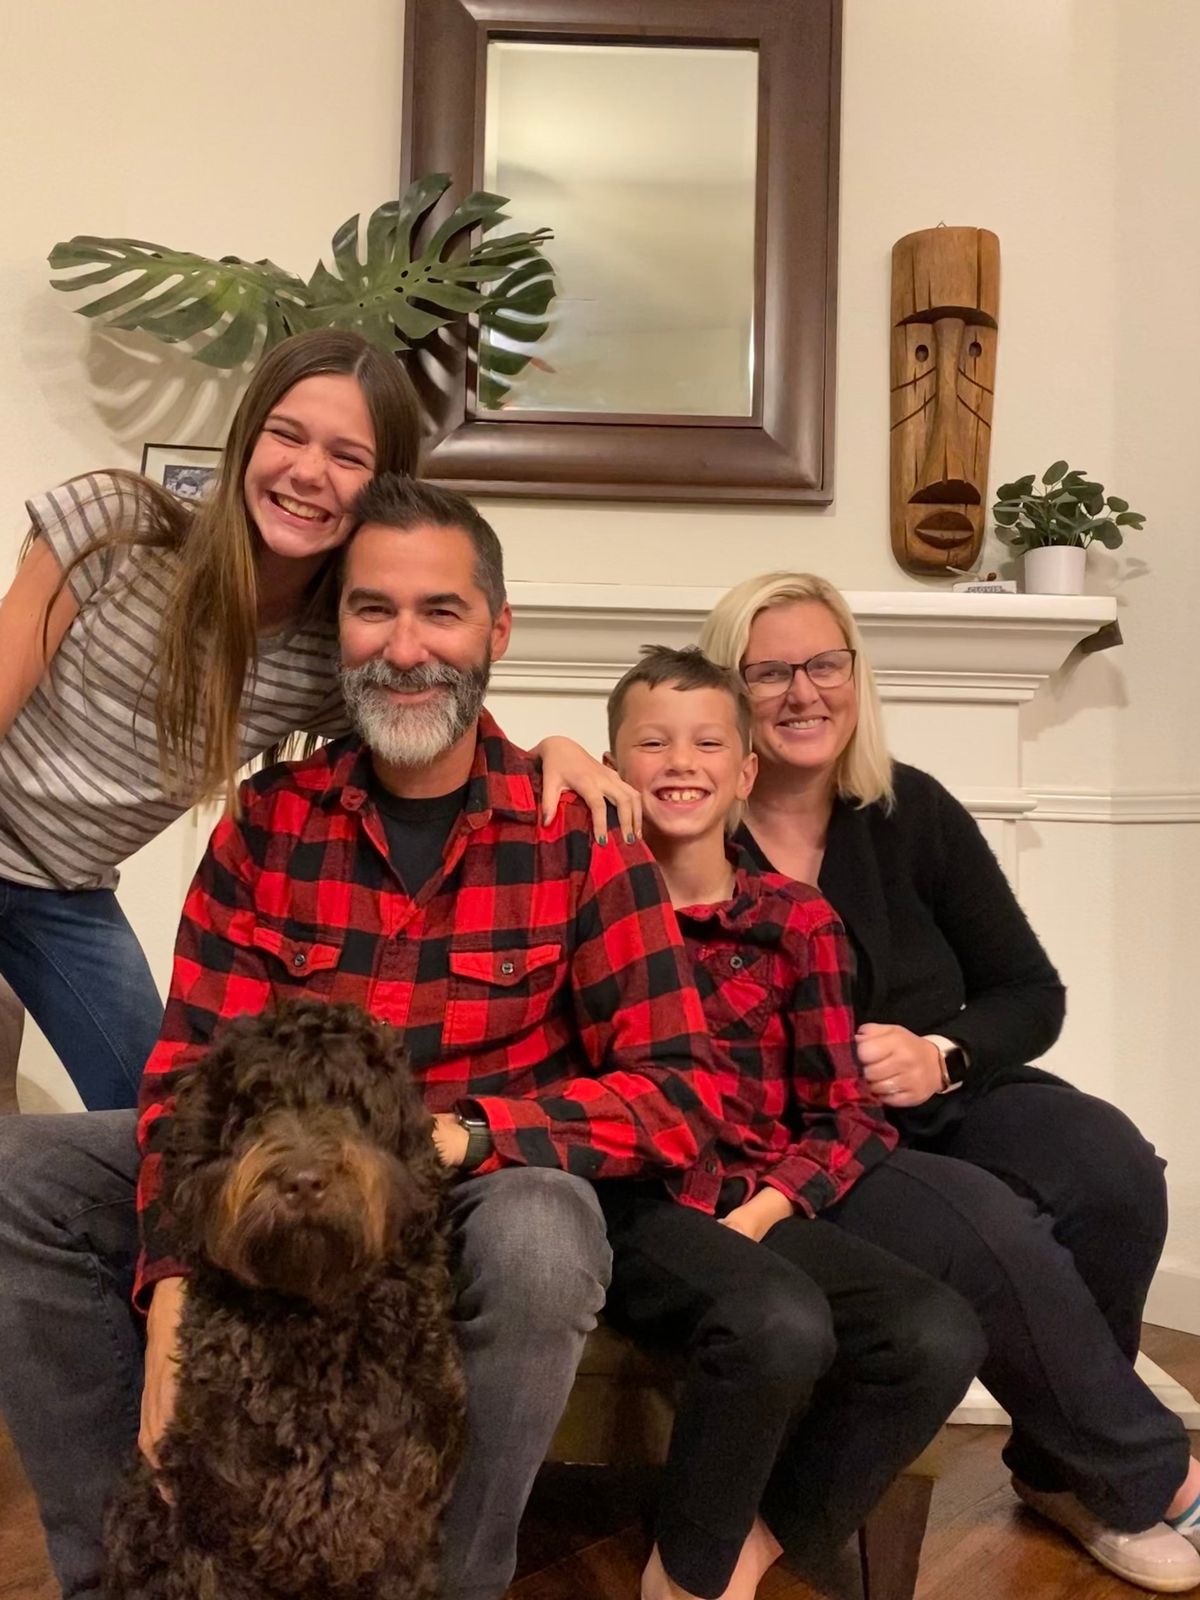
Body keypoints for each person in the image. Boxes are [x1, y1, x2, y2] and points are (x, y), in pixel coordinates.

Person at [0, 476, 726, 1600]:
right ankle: (119, 1574)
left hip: (469, 1179)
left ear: (497, 629)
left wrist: (479, 1137)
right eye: (372, 609)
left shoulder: (575, 832)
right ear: (337, 626)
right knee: (18, 1169)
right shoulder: (269, 819)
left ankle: (449, 1585)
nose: (404, 646)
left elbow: (679, 1090)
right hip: (279, 1156)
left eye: (440, 611)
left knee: (545, 1234)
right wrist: (175, 1280)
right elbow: (187, 1076)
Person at [697, 570, 1200, 1593]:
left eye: (824, 663)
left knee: (1114, 1168)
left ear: (854, 674)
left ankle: (1065, 1469)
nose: (805, 692)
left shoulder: (908, 807)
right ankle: (1159, 1478)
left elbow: (1030, 992)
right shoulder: (694, 829)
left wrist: (944, 1055)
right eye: (771, 672)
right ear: (727, 691)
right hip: (824, 1137)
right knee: (989, 1227)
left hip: (948, 1091)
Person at [0, 330, 637, 1112]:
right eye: (287, 435)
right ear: (247, 440)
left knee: (164, 1116)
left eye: (347, 455)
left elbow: (440, 714)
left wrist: (554, 749)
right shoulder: (117, 525)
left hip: (65, 894)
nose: (308, 472)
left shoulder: (330, 649)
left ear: (383, 486)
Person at [600, 645, 984, 1600]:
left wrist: (767, 1213)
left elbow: (849, 1117)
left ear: (746, 772)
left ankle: (759, 1537)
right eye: (651, 743)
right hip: (628, 1205)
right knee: (776, 1321)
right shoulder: (585, 902)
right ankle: (685, 1580)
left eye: (705, 743)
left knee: (937, 1334)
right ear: (613, 768)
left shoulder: (797, 921)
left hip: (755, 1204)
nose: (680, 762)